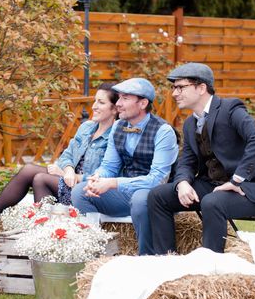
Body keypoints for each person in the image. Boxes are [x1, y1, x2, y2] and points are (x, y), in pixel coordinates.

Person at [147, 62, 255, 254]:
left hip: (248, 190)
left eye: (180, 87)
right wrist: (182, 182)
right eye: (174, 88)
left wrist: (237, 179)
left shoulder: (230, 109)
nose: (174, 93)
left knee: (212, 201)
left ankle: (211, 266)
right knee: (158, 196)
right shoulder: (191, 123)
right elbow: (187, 160)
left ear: (201, 88)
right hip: (212, 185)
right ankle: (167, 260)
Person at [0, 83, 119, 238]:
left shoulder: (114, 137)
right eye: (95, 101)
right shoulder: (87, 127)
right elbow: (67, 154)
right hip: (68, 181)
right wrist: (67, 170)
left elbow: (106, 174)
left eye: (101, 102)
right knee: (28, 170)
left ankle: (42, 232)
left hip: (85, 191)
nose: (94, 106)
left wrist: (74, 176)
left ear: (114, 109)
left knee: (40, 179)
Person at [71, 78, 179, 255]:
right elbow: (109, 166)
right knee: (80, 191)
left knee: (140, 199)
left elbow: (158, 180)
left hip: (154, 195)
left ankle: (147, 257)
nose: (118, 104)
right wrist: (97, 177)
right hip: (125, 193)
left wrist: (113, 183)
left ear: (143, 103)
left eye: (125, 98)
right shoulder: (119, 126)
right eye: (119, 98)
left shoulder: (163, 131)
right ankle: (94, 252)